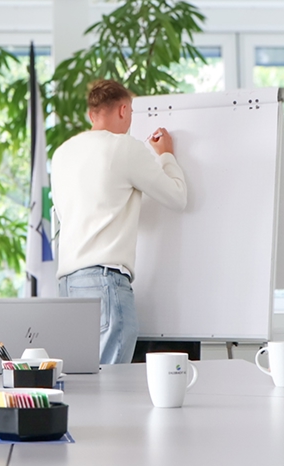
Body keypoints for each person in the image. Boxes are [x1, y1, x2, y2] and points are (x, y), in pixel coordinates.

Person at [50, 79, 187, 365]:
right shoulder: (125, 147)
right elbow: (177, 197)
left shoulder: (62, 154)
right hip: (104, 281)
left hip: (68, 285)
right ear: (124, 110)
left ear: (91, 114)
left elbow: (62, 218)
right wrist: (166, 156)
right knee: (110, 387)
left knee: (83, 380)